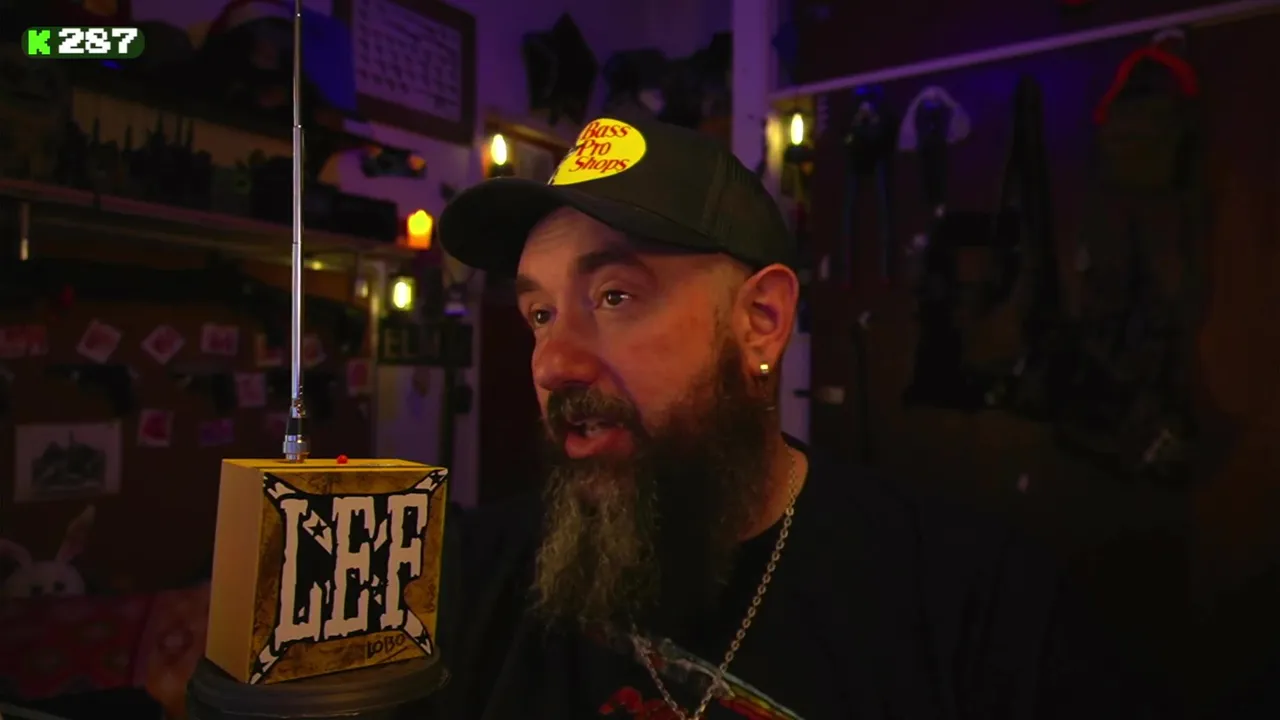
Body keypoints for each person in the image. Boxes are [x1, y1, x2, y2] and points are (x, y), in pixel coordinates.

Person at [434, 115, 1131, 719]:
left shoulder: (978, 605)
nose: (552, 363)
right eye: (540, 314)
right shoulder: (465, 579)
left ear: (761, 322)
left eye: (615, 297)